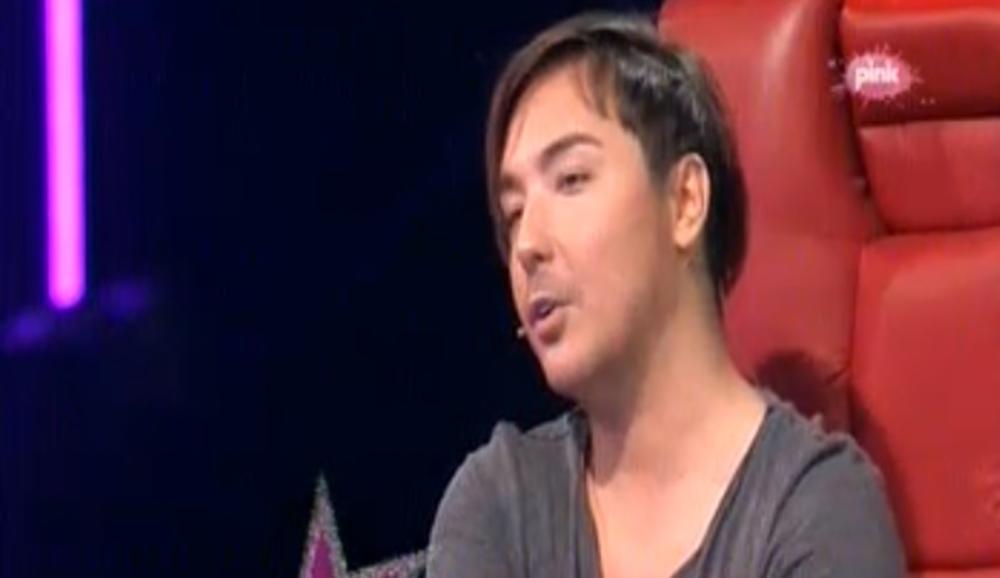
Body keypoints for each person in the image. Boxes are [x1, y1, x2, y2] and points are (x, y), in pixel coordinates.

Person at [427, 11, 905, 578]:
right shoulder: (499, 504)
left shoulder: (819, 510)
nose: (527, 244)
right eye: (513, 212)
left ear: (684, 202)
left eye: (571, 180)